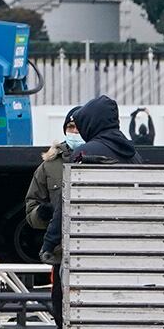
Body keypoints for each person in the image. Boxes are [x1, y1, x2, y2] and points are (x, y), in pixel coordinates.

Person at [40, 95, 138, 266]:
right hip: (127, 244)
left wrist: (49, 243)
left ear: (91, 124)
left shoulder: (84, 153)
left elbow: (66, 203)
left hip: (90, 246)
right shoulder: (134, 155)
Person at [25, 114, 82, 329]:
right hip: (62, 256)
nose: (74, 132)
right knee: (63, 318)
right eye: (70, 127)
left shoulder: (97, 158)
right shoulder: (48, 166)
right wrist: (42, 215)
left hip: (95, 256)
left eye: (78, 127)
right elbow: (30, 207)